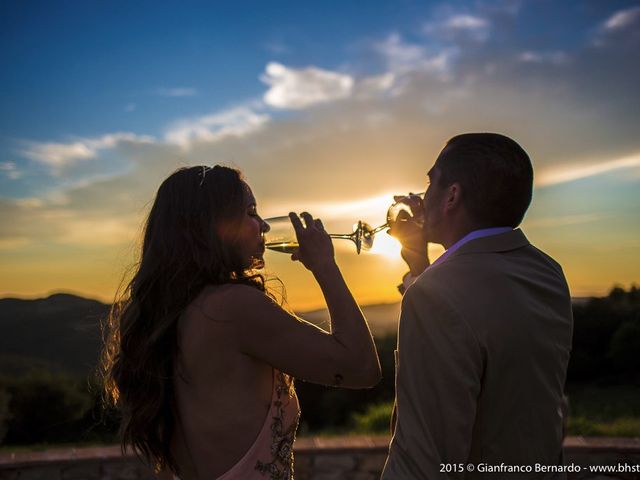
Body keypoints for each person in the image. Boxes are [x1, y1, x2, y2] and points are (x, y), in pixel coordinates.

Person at [101, 165, 381, 480]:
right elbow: (361, 367)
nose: (263, 225)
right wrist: (325, 266)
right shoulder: (233, 307)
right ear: (212, 226)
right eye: (250, 213)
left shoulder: (168, 314)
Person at [382, 133, 573, 479]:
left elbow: (424, 456)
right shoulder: (548, 273)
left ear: (452, 195)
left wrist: (424, 281)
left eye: (431, 184)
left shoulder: (435, 295)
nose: (424, 197)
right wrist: (420, 267)